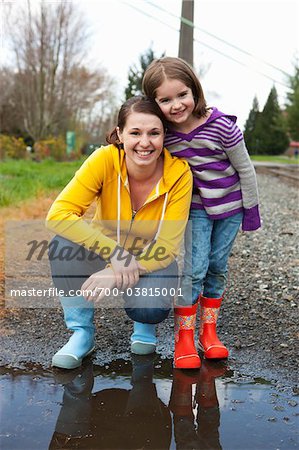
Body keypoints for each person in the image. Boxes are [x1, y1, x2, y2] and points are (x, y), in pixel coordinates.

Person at [46, 95, 192, 369]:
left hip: (152, 257)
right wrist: (114, 253)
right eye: (135, 132)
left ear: (164, 136)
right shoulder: (104, 160)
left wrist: (118, 270)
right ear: (120, 134)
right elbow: (58, 215)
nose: (145, 142)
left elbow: (168, 246)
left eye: (154, 133)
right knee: (62, 245)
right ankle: (82, 333)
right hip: (105, 248)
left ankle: (144, 327)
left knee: (148, 306)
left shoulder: (179, 174)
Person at [142, 56, 262, 369]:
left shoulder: (222, 126)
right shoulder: (164, 135)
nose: (176, 105)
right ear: (155, 104)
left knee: (217, 266)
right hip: (194, 209)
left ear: (195, 90)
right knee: (195, 269)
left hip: (229, 209)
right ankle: (184, 337)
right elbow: (140, 147)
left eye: (182, 95)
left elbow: (245, 169)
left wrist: (251, 211)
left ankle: (209, 333)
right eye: (165, 100)